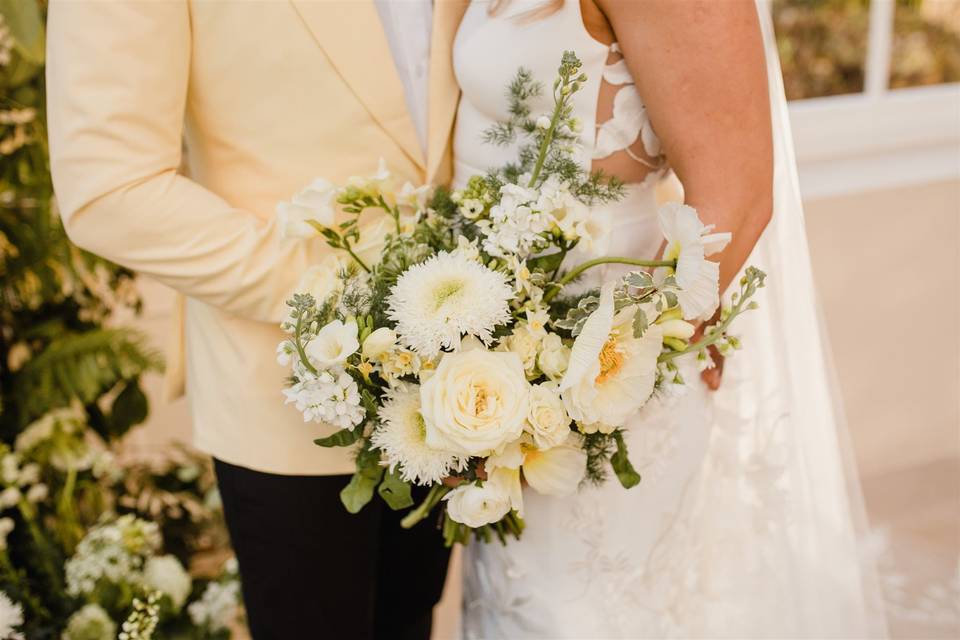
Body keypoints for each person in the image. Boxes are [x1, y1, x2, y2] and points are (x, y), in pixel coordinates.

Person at [452, 0, 887, 637]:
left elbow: (736, 195)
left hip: (598, 377)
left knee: (577, 612)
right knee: (516, 600)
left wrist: (597, 368)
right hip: (497, 365)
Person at [45, 1, 470, 638]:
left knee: (409, 621)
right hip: (283, 384)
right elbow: (109, 186)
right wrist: (345, 301)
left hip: (461, 375)